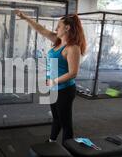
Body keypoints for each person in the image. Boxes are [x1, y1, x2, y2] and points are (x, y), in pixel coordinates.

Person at [16, 11, 86, 142]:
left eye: (58, 26)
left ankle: (68, 152)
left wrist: (54, 81)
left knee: (66, 123)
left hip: (64, 90)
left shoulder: (72, 48)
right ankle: (51, 142)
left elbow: (73, 73)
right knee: (56, 118)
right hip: (54, 88)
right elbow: (41, 30)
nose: (55, 29)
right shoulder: (57, 41)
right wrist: (25, 18)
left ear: (67, 28)